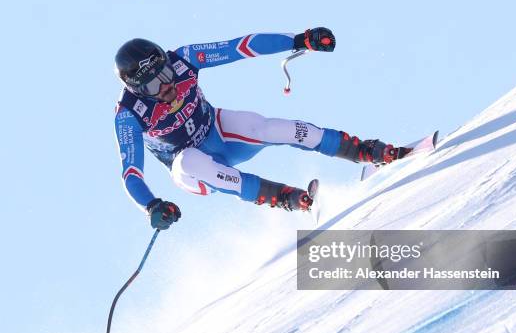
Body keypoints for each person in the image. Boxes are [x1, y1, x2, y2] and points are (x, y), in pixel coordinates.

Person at [114, 28, 409, 230]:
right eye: (153, 84)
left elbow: (240, 47)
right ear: (138, 89)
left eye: (165, 73)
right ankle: (284, 197)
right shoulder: (129, 114)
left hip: (217, 132)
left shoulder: (184, 59)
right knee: (189, 159)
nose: (166, 86)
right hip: (193, 171)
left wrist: (300, 39)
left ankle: (365, 151)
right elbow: (131, 174)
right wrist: (152, 206)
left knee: (261, 125)